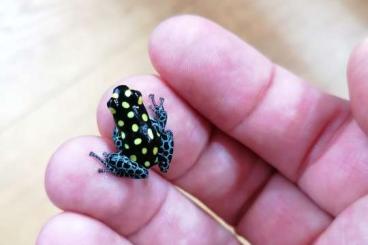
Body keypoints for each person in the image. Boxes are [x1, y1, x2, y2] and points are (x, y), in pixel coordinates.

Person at [36, 15, 368, 245]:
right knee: (152, 141)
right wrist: (151, 124)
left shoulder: (124, 124)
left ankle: (116, 162)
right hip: (149, 155)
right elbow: (136, 133)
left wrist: (121, 148)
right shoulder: (132, 121)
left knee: (138, 147)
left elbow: (123, 137)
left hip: (142, 159)